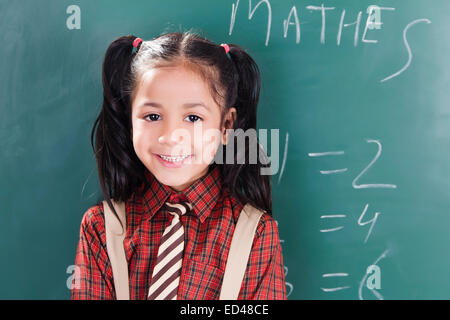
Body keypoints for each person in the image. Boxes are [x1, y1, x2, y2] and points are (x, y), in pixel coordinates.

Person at [71, 31, 286, 300]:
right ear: (130, 121)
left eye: (193, 117)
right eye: (152, 116)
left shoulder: (255, 234)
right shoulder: (102, 228)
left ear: (226, 126)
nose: (171, 136)